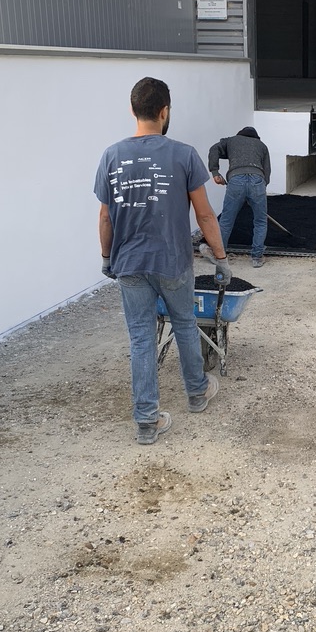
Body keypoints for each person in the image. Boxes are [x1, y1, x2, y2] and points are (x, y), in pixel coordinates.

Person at [94, 77, 232, 445]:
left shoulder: (111, 156)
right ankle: (197, 393)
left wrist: (107, 257)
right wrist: (220, 258)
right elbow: (205, 215)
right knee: (185, 324)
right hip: (173, 261)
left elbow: (105, 217)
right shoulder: (184, 155)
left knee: (141, 339)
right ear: (164, 111)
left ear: (132, 110)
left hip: (129, 263)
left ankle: (146, 421)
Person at [208, 126, 271, 268]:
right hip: (257, 181)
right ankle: (257, 258)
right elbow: (267, 172)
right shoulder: (262, 146)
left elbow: (214, 149)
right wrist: (258, 190)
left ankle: (219, 256)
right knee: (261, 221)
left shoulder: (231, 141)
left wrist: (215, 172)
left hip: (236, 180)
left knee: (226, 220)